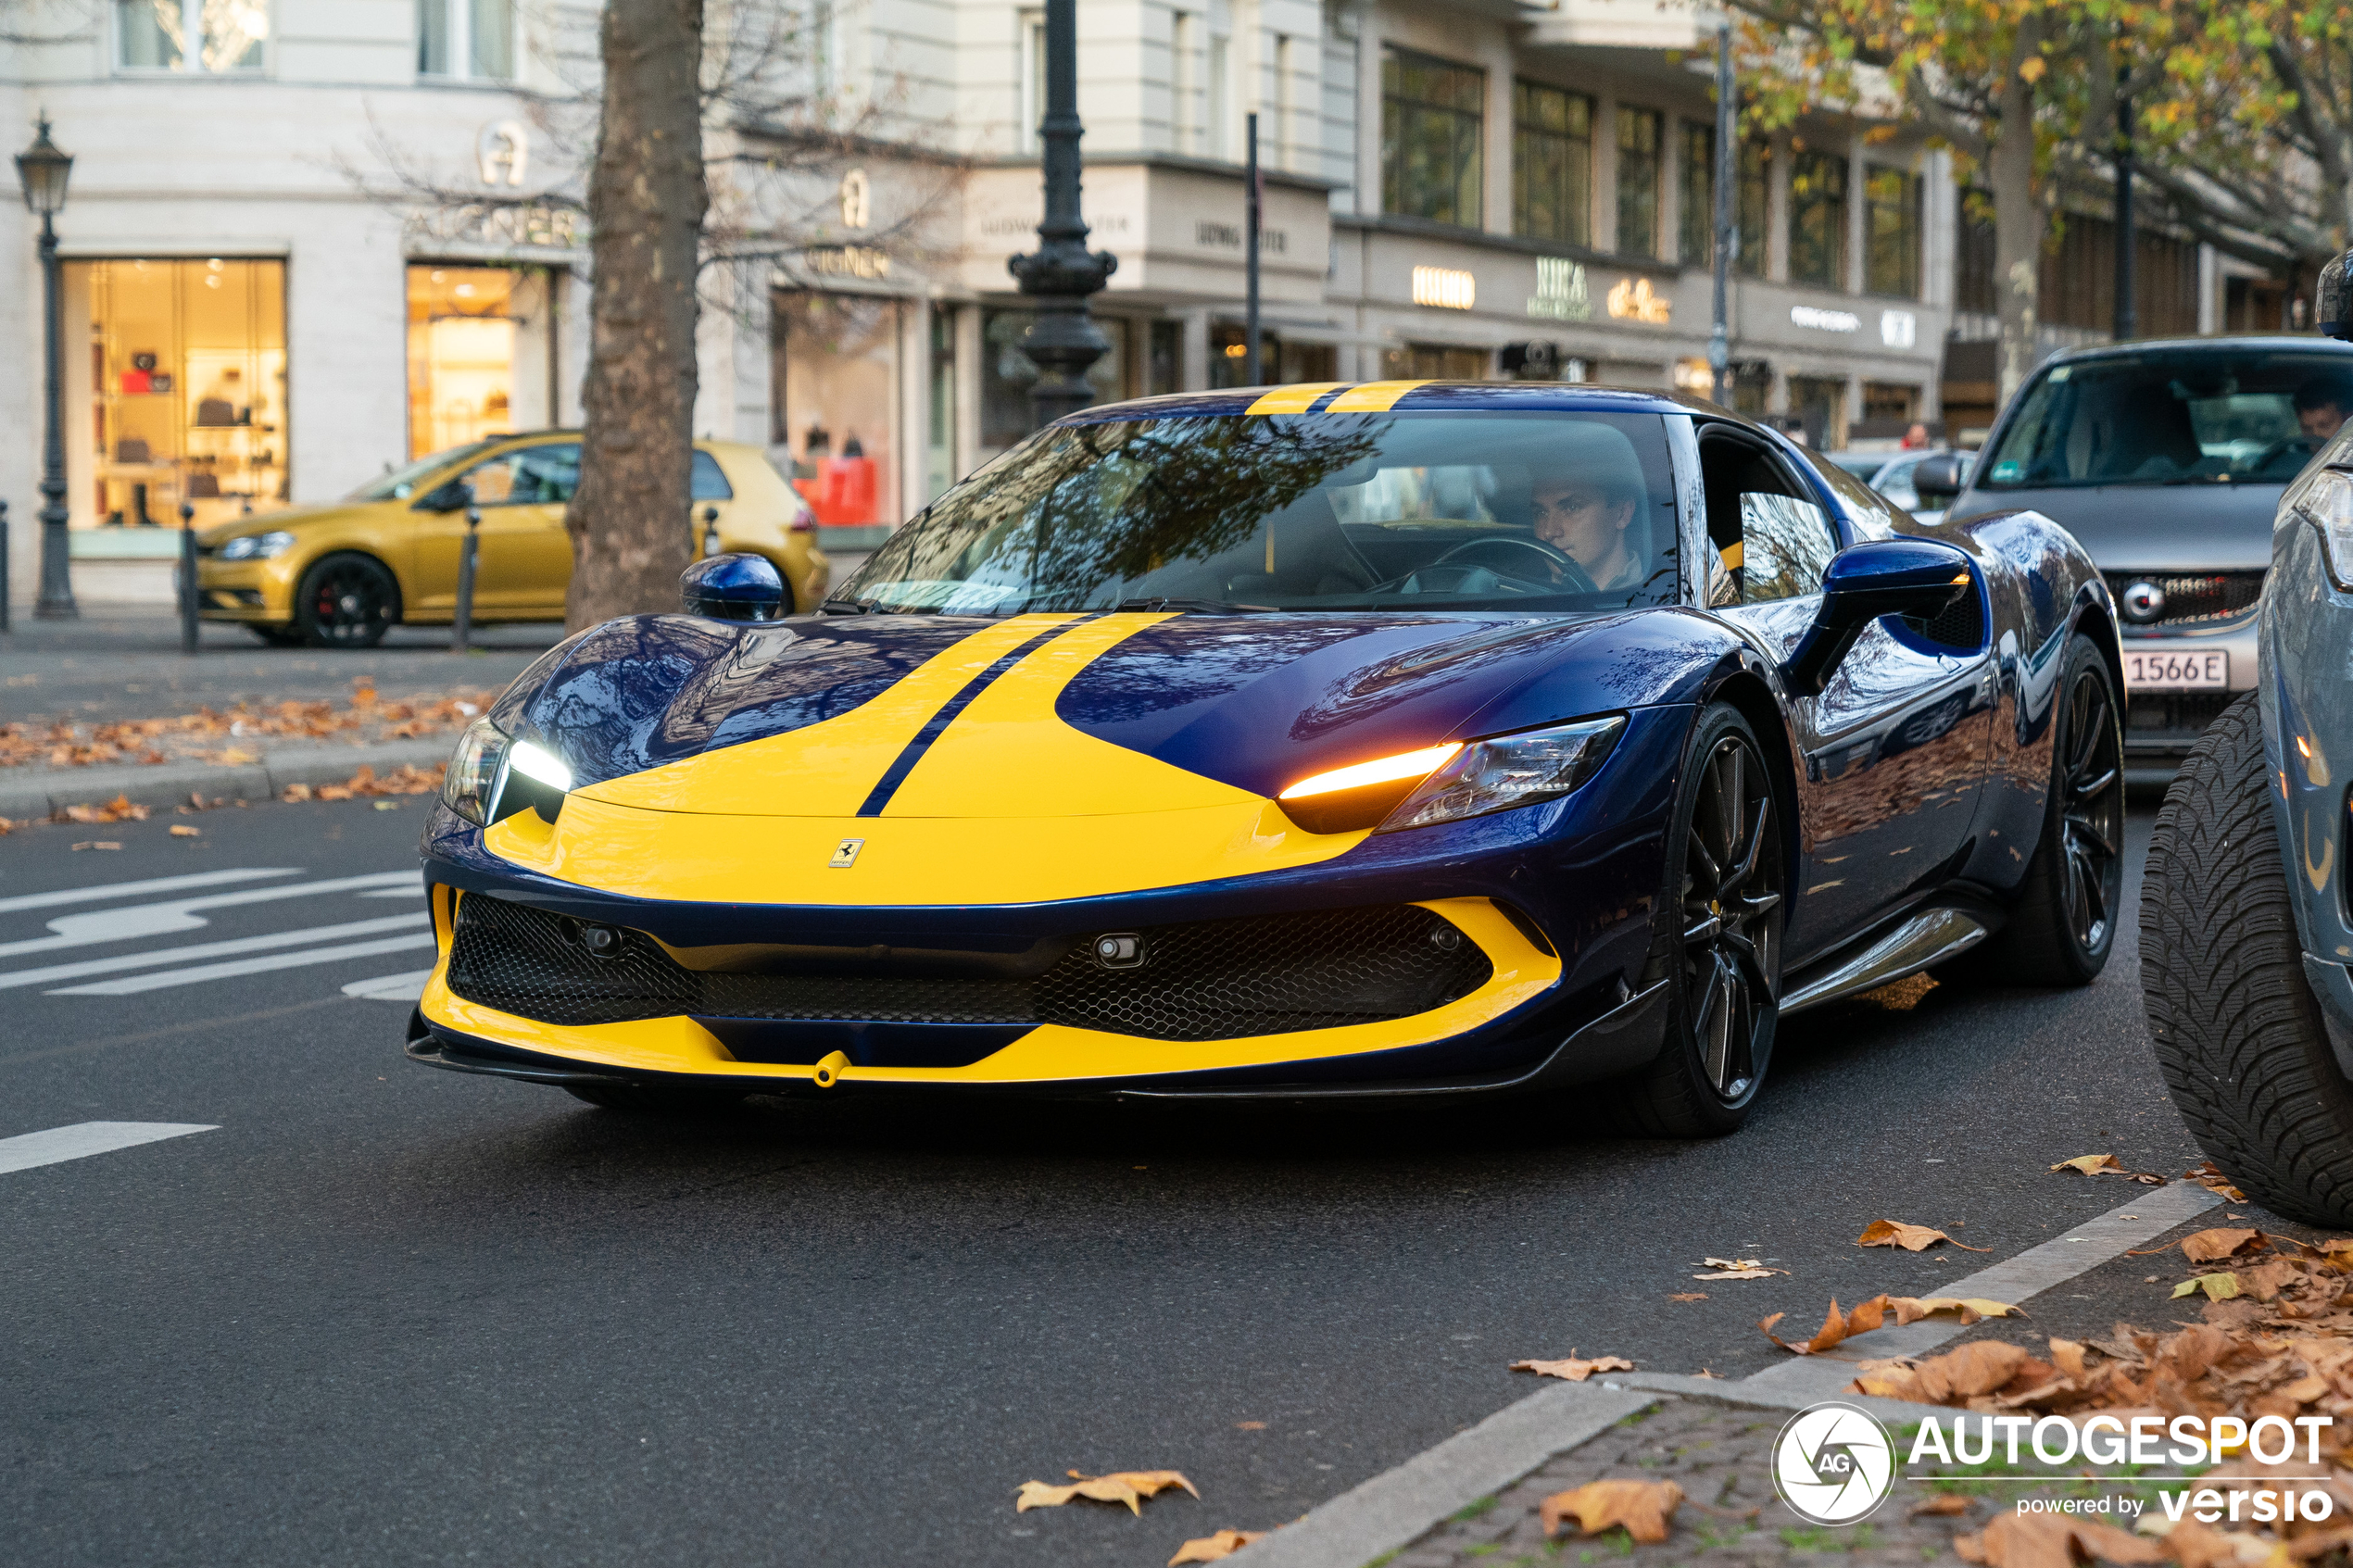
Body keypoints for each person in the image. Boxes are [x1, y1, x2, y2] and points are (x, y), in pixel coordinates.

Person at [1530, 471, 1642, 591]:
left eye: (1572, 508)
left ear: (1622, 514)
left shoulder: (1653, 595)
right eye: (1540, 513)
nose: (1549, 531)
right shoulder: (1520, 589)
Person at [2294, 375, 2353, 443]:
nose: (2315, 434)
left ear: (2348, 421)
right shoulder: (2292, 451)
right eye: (2307, 428)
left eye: (2324, 425)